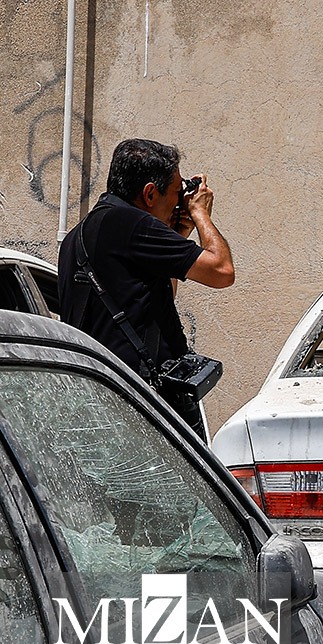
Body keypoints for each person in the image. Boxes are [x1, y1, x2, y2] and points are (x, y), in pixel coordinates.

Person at [58, 138, 234, 438]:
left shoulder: (79, 235)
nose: (179, 202)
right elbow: (222, 271)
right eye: (176, 192)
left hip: (101, 396)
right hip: (144, 405)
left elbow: (157, 299)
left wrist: (177, 235)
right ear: (150, 193)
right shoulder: (134, 224)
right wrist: (200, 213)